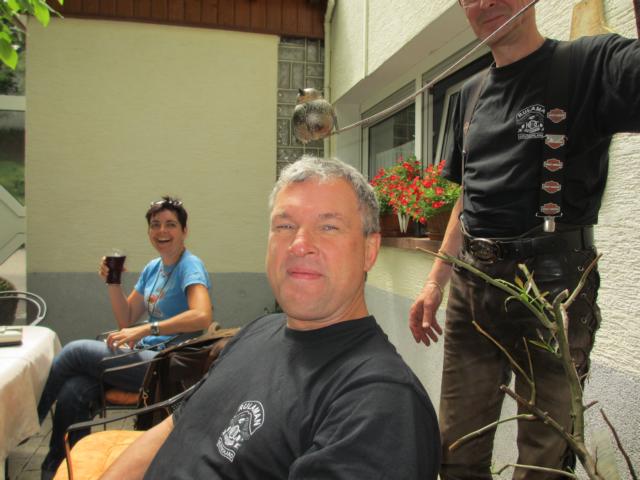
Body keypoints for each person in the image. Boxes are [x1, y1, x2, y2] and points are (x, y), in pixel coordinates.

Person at [409, 1, 640, 478]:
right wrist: (435, 280)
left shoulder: (589, 64)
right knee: (456, 447)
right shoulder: (469, 95)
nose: (486, 3)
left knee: (545, 458)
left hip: (553, 287)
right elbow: (468, 197)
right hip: (471, 288)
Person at [100, 156, 441, 480]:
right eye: (285, 225)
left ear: (369, 251)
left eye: (328, 226)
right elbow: (176, 426)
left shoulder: (380, 403)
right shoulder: (257, 331)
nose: (299, 244)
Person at [38, 196, 213, 479]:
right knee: (74, 390)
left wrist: (148, 329)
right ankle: (59, 470)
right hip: (143, 358)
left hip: (167, 364)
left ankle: (30, 420)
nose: (162, 231)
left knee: (75, 352)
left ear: (184, 230)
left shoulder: (189, 266)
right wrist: (113, 282)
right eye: (155, 224)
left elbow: (202, 315)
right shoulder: (153, 268)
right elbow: (126, 318)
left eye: (170, 224)